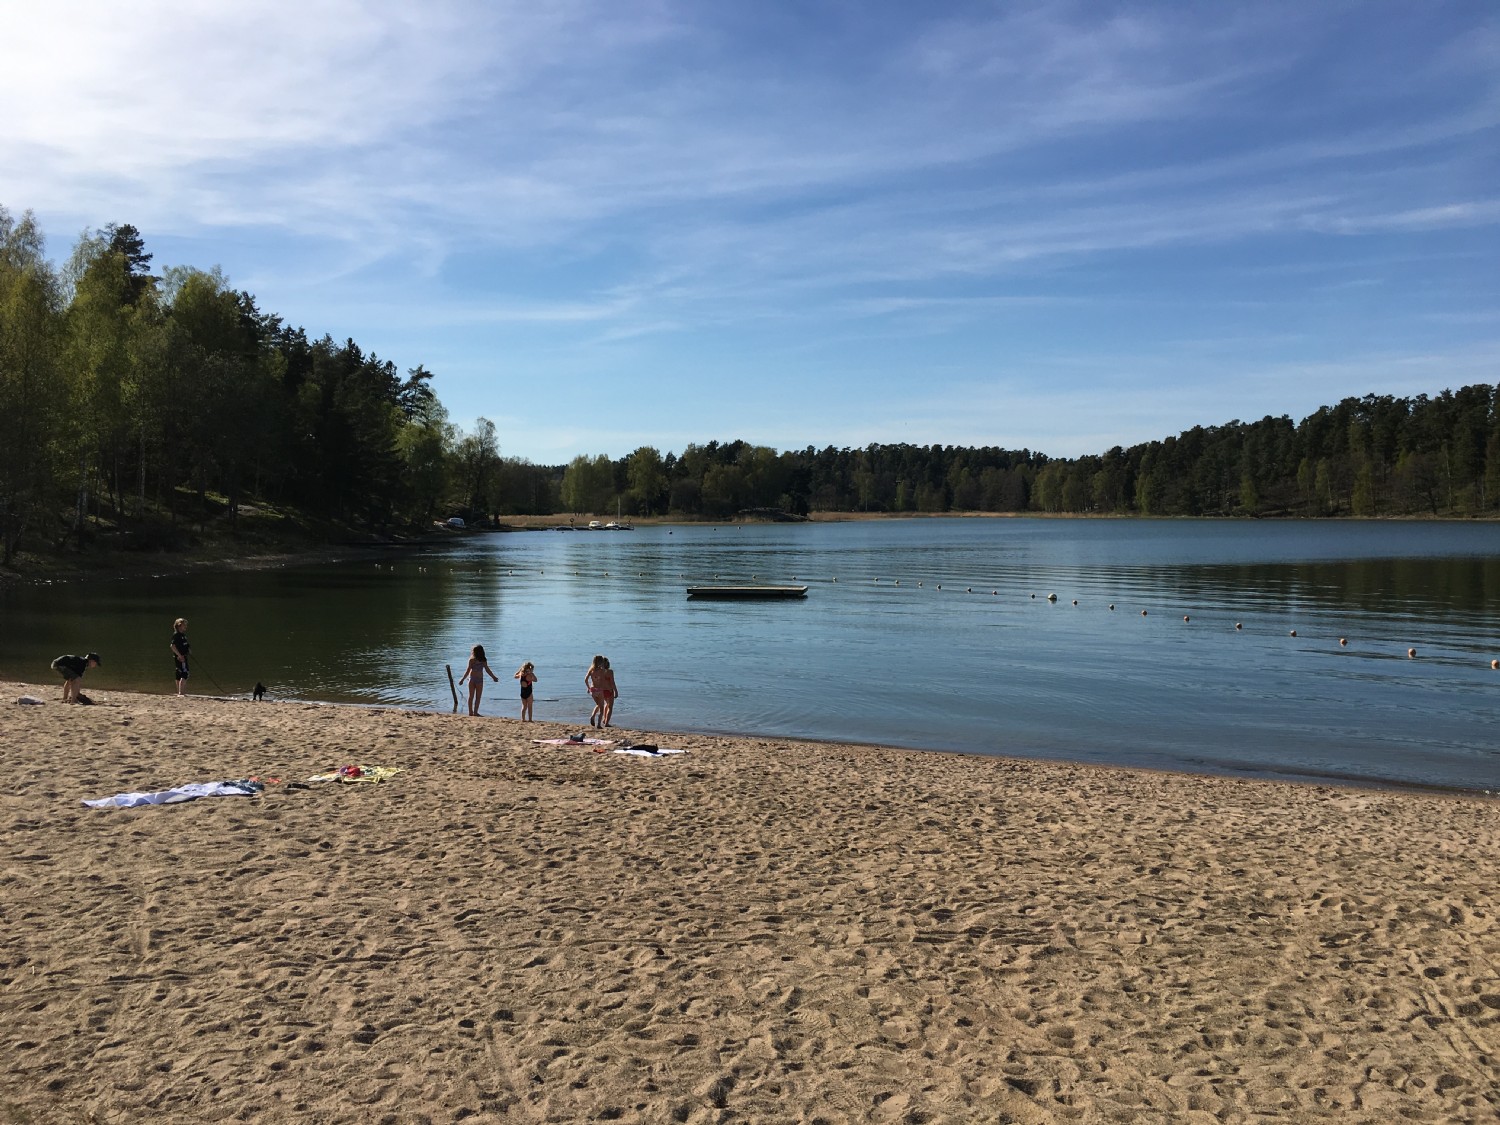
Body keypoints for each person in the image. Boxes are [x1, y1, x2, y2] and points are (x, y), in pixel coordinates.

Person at [458, 644, 499, 716]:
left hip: (475, 680)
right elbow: (468, 670)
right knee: (474, 697)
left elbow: (487, 669)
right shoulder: (475, 660)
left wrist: (493, 677)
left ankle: (473, 712)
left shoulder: (480, 660)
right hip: (475, 680)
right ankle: (472, 712)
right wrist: (462, 679)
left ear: (475, 652)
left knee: (474, 697)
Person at [585, 654, 618, 728]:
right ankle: (605, 723)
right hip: (606, 691)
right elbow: (612, 683)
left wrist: (589, 688)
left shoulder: (592, 670)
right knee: (609, 707)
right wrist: (616, 691)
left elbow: (586, 679)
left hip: (595, 690)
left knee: (600, 705)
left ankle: (593, 716)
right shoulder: (607, 671)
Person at [170, 617, 191, 696]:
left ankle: (179, 692)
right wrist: (179, 655)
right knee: (184, 673)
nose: (185, 627)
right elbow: (172, 646)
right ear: (179, 626)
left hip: (183, 656)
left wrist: (188, 649)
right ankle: (181, 692)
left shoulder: (183, 635)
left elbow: (185, 644)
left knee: (179, 673)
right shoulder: (176, 635)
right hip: (180, 657)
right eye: (184, 625)